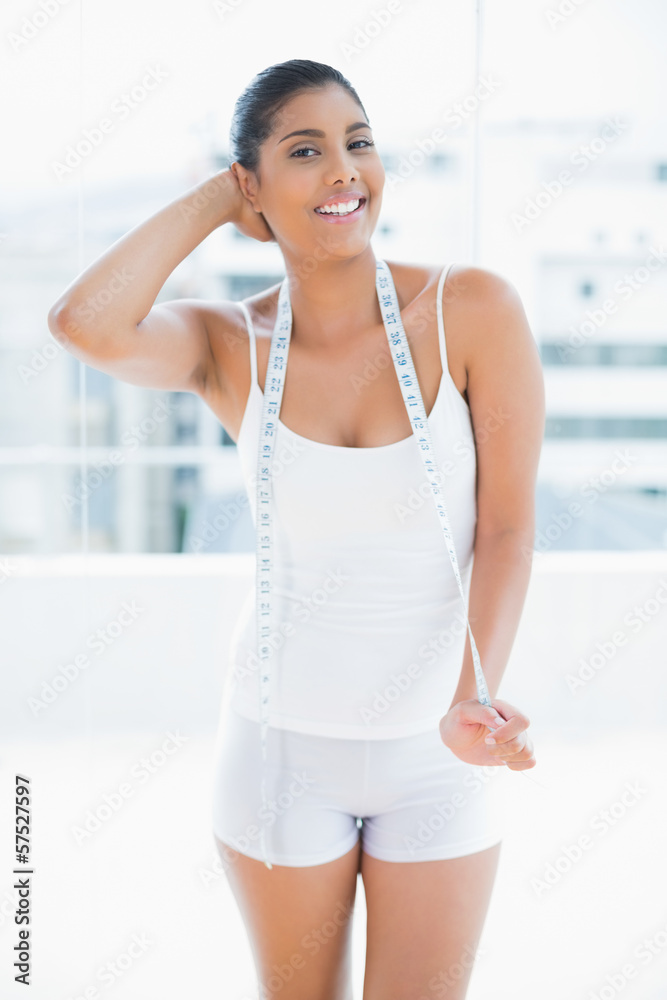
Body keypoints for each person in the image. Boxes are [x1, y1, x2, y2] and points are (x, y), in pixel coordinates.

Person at [48, 57, 545, 1000]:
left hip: (439, 751)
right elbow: (84, 323)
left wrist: (471, 696)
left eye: (358, 143)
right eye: (305, 151)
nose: (343, 171)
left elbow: (508, 530)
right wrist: (213, 199)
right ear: (252, 184)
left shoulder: (470, 310)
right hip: (279, 753)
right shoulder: (228, 344)